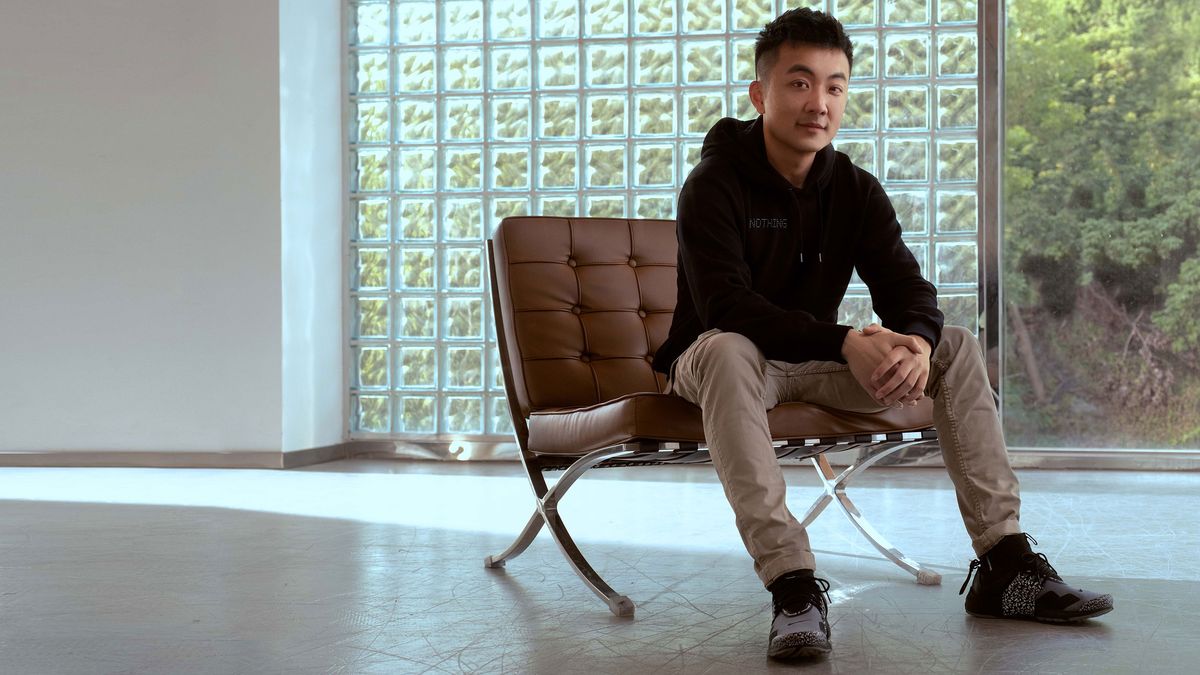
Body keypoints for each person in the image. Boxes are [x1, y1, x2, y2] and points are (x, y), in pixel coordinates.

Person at [650, 6, 1113, 661]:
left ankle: (1004, 561)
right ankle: (793, 587)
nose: (819, 102)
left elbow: (912, 294)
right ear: (760, 94)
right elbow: (728, 306)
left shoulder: (856, 191)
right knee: (729, 347)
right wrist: (846, 339)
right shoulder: (713, 184)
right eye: (800, 82)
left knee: (951, 341)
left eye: (835, 86)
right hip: (717, 360)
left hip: (806, 362)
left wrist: (917, 343)